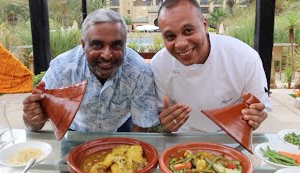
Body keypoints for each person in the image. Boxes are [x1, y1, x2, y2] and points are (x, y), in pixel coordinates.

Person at [22, 8, 160, 133]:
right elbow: (35, 124)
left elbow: (142, 124)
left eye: (116, 45)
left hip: (119, 129)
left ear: (125, 45)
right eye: (97, 44)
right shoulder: (61, 69)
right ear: (83, 45)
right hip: (75, 131)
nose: (107, 54)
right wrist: (31, 117)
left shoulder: (139, 71)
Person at [150, 0, 272, 133]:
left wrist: (255, 116)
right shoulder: (159, 65)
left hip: (230, 140)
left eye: (188, 31)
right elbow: (161, 114)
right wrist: (165, 123)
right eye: (170, 36)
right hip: (181, 143)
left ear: (204, 25)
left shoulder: (244, 57)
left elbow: (259, 107)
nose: (180, 44)